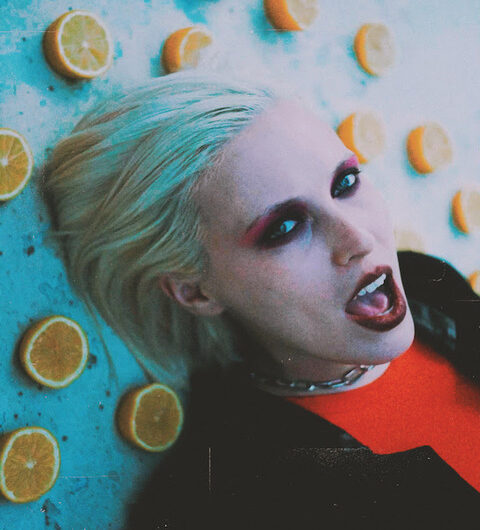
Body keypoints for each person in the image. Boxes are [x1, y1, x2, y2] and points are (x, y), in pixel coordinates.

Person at [43, 71, 480, 529]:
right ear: (195, 290)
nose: (358, 238)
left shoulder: (428, 283)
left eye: (345, 182)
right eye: (285, 228)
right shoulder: (232, 503)